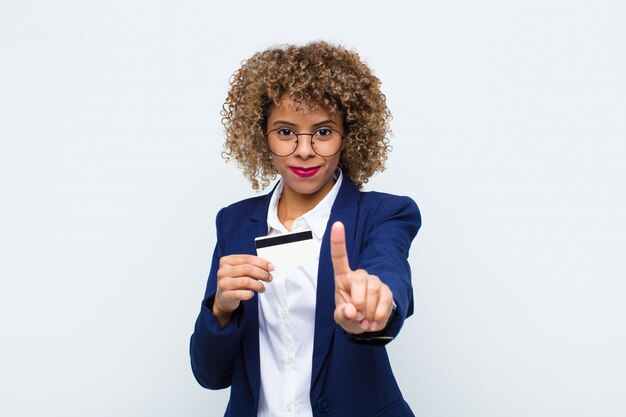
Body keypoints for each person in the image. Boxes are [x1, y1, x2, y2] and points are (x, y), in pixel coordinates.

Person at [190, 41, 421, 417]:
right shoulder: (233, 222)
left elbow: (388, 270)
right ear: (261, 135)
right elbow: (211, 375)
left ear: (349, 135)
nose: (304, 150)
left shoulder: (385, 213)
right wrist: (221, 308)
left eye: (323, 132)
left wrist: (376, 302)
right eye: (285, 132)